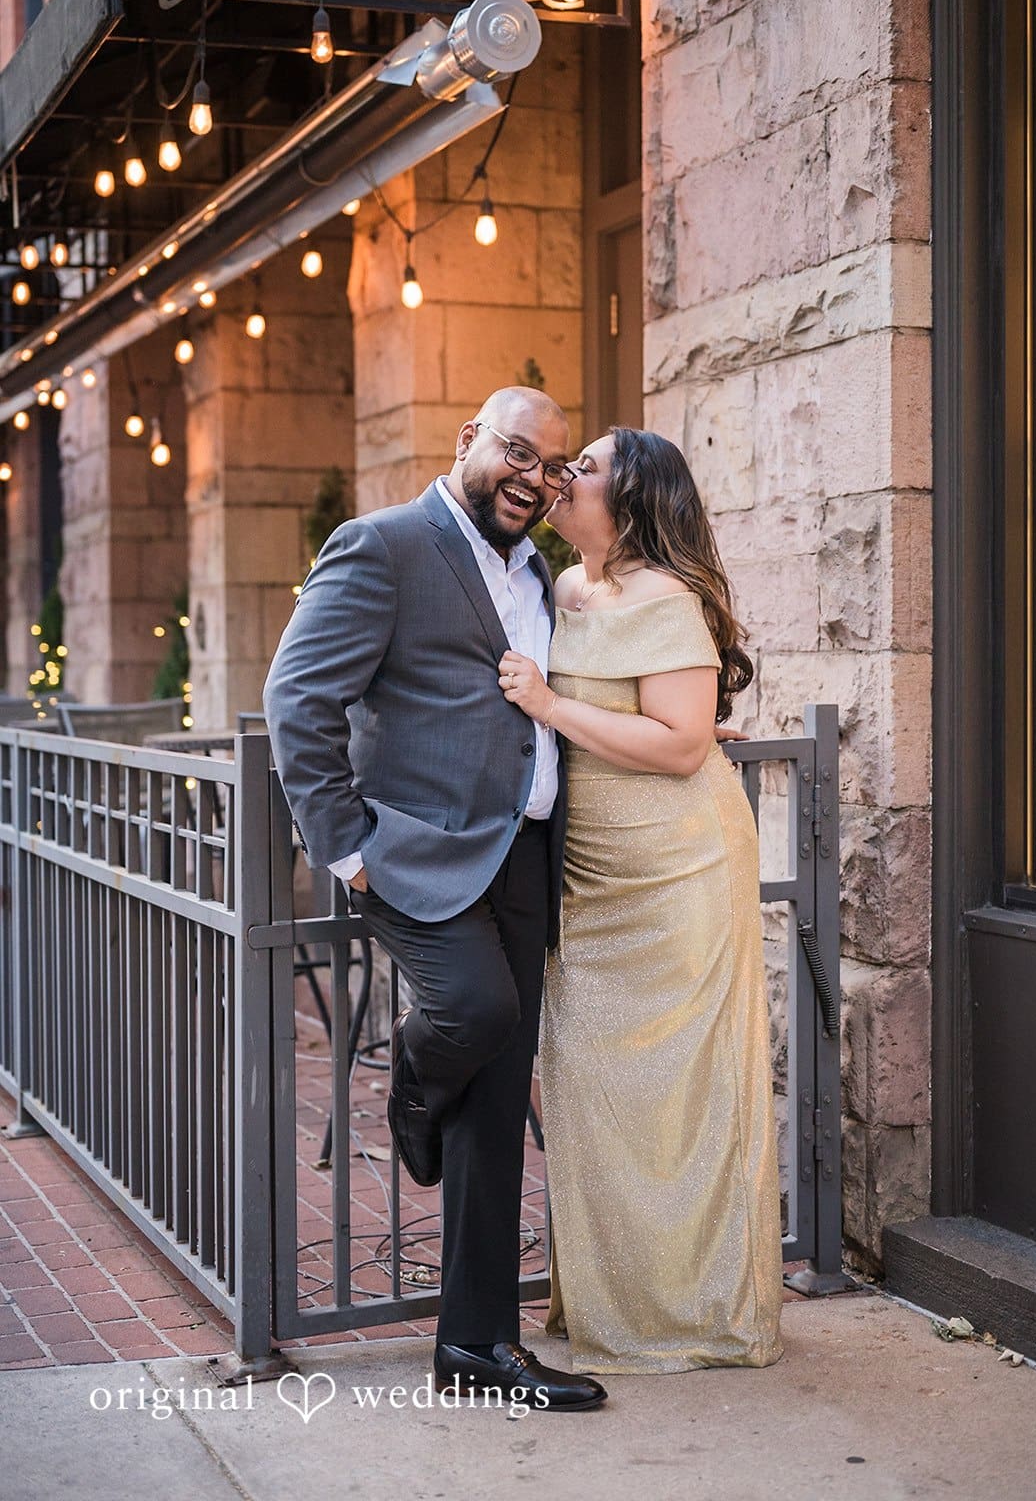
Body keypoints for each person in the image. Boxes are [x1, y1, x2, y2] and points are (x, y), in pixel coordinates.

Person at [262, 387, 606, 1412]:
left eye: (549, 466)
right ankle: (412, 1082)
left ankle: (474, 1348)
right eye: (517, 451)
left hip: (522, 857)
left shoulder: (534, 568)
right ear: (469, 442)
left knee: (500, 1105)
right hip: (412, 857)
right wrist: (348, 850)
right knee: (473, 1012)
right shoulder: (383, 544)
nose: (532, 477)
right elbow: (297, 696)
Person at [498, 425, 784, 1375]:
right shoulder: (559, 584)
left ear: (629, 504)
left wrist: (550, 706)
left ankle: (696, 1314)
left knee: (682, 1093)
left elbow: (681, 744)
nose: (562, 478)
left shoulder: (667, 599)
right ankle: (610, 1303)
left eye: (583, 469)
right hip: (591, 872)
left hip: (679, 872)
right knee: (587, 1082)